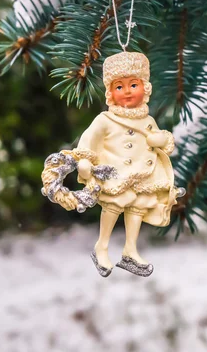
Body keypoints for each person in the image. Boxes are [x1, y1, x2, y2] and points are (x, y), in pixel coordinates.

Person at [73, 52, 178, 278]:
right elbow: (88, 142)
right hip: (116, 174)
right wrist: (84, 161)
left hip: (143, 173)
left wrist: (161, 139)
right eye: (119, 87)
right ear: (110, 93)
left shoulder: (147, 120)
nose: (128, 91)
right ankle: (101, 246)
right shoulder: (105, 120)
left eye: (133, 84)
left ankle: (130, 249)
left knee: (138, 206)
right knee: (114, 205)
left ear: (145, 88)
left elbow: (161, 140)